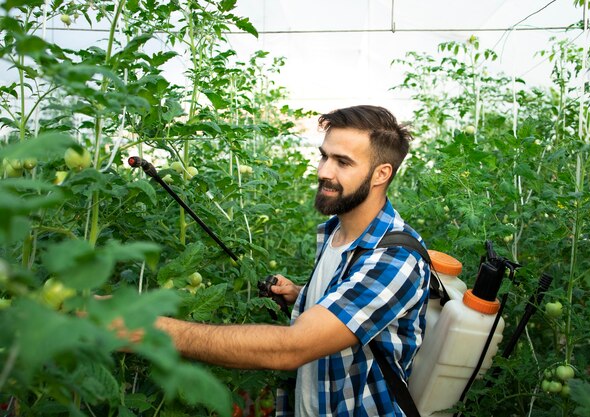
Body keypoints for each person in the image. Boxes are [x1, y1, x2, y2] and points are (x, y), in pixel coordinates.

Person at [155, 105, 431, 416]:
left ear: (381, 174)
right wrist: (301, 295)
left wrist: (147, 330)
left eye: (343, 162)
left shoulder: (395, 258)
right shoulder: (336, 231)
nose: (324, 171)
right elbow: (351, 305)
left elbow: (291, 348)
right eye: (324, 156)